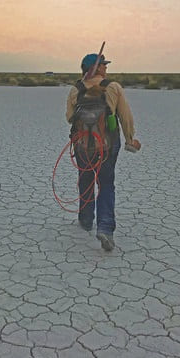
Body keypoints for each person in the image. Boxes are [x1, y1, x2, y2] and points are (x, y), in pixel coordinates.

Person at [66, 53, 141, 251]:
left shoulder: (76, 89)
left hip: (82, 145)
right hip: (108, 145)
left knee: (86, 179)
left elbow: (68, 117)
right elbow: (125, 116)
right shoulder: (113, 87)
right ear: (95, 68)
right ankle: (105, 228)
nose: (106, 68)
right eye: (103, 65)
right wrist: (130, 139)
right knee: (106, 183)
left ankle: (85, 219)